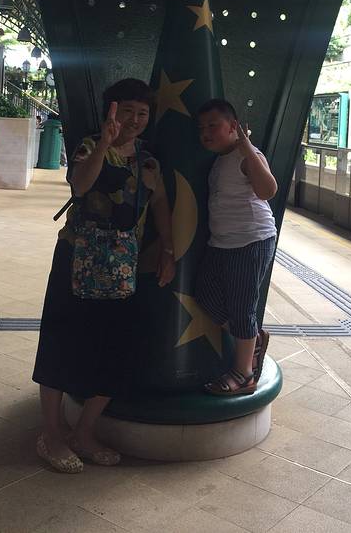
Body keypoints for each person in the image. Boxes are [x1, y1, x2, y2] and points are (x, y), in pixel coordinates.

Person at [32, 78, 176, 473]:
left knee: (115, 347)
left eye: (142, 113)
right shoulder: (89, 146)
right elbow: (80, 185)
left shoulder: (149, 161)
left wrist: (168, 250)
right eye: (127, 110)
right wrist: (104, 145)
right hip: (76, 257)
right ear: (111, 111)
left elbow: (160, 204)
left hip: (123, 266)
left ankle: (84, 432)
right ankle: (51, 434)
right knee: (61, 342)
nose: (135, 119)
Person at [195, 98, 278, 396]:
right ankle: (252, 338)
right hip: (222, 242)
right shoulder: (220, 159)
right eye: (201, 128)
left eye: (213, 125)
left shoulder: (248, 155)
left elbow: (268, 190)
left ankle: (244, 375)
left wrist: (247, 148)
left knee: (242, 308)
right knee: (205, 295)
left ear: (233, 126)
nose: (206, 132)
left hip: (251, 240)